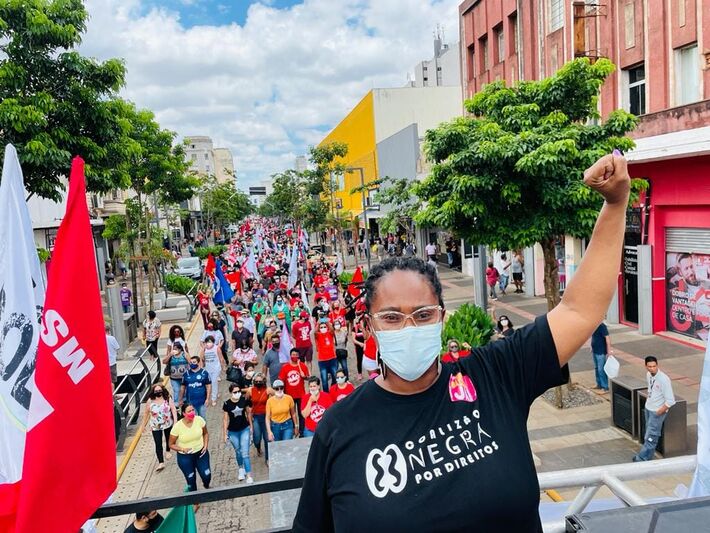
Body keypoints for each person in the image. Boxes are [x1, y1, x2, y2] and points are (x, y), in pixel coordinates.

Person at [292, 151, 632, 531]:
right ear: (369, 327)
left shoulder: (496, 375)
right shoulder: (339, 428)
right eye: (391, 317)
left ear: (441, 317)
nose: (408, 327)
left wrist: (616, 203)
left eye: (422, 315)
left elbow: (579, 311)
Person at [633, 356, 676, 462]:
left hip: (656, 411)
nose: (652, 368)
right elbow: (650, 389)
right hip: (649, 408)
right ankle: (647, 456)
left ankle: (643, 458)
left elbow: (670, 400)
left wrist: (660, 411)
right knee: (648, 433)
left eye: (654, 366)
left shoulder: (664, 379)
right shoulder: (648, 375)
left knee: (652, 435)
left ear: (657, 365)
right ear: (646, 366)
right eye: (650, 366)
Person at [169, 403, 211, 497]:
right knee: (191, 479)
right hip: (185, 458)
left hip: (201, 454)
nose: (192, 413)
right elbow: (171, 444)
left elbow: (206, 433)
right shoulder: (177, 427)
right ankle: (195, 501)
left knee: (207, 475)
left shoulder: (199, 420)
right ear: (184, 413)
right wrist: (182, 449)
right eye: (189, 411)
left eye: (193, 410)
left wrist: (206, 445)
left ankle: (206, 485)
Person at [223, 383, 254, 484]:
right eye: (235, 392)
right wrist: (225, 434)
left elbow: (248, 413)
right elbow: (225, 419)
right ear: (231, 393)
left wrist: (251, 427)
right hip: (232, 432)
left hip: (244, 429)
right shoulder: (227, 404)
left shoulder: (244, 400)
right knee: (238, 451)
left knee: (245, 452)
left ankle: (249, 475)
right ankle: (241, 469)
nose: (237, 394)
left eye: (239, 391)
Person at [142, 383, 177, 472]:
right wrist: (143, 426)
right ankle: (161, 462)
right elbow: (146, 413)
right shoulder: (150, 401)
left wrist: (175, 421)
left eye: (159, 390)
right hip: (155, 426)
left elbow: (173, 409)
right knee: (158, 443)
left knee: (168, 438)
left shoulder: (167, 398)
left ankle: (168, 450)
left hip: (167, 423)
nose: (158, 392)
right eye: (156, 391)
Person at [278, 348, 310, 430]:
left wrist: (305, 376)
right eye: (293, 355)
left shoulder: (302, 366)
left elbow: (308, 378)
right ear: (290, 355)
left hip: (301, 395)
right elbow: (281, 380)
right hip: (289, 395)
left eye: (296, 355)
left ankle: (302, 431)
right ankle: (292, 430)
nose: (294, 356)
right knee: (291, 414)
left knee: (301, 414)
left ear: (299, 356)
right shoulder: (285, 367)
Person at [250, 372, 272, 464]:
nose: (258, 382)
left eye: (260, 381)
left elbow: (277, 395)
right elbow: (247, 402)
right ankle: (258, 448)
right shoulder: (251, 390)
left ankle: (268, 459)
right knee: (256, 438)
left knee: (267, 439)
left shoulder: (268, 390)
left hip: (266, 417)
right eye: (256, 381)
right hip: (256, 417)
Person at [200, 335, 224, 406]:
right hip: (208, 369)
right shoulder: (204, 349)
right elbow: (201, 358)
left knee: (213, 382)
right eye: (207, 342)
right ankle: (216, 393)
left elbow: (221, 358)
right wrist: (203, 349)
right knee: (208, 384)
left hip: (216, 368)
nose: (209, 343)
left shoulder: (217, 348)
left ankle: (213, 399)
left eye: (210, 342)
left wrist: (223, 367)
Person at [315, 320, 338, 393]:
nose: (323, 328)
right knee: (324, 380)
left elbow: (332, 329)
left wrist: (327, 321)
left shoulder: (329, 333)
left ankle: (333, 389)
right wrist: (318, 323)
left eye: (324, 327)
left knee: (335, 376)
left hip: (332, 359)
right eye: (321, 327)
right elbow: (315, 332)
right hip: (322, 361)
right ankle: (326, 394)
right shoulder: (318, 335)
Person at [590, 322, 612, 391]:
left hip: (601, 352)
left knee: (601, 369)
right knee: (597, 368)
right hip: (595, 350)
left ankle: (605, 387)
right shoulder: (593, 325)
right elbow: (593, 336)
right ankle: (599, 384)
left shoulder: (602, 326)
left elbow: (607, 338)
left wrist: (609, 351)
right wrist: (591, 346)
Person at [351, 308, 367, 381]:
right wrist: (360, 344)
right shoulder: (355, 328)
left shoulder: (366, 328)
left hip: (366, 345)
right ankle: (359, 373)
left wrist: (363, 328)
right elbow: (353, 339)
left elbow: (367, 336)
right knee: (359, 359)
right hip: (359, 346)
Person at [105, 325, 120, 389]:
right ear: (108, 331)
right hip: (111, 361)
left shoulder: (98, 338)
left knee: (106, 380)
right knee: (112, 380)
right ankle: (112, 396)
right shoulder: (111, 338)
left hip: (102, 363)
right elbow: (117, 348)